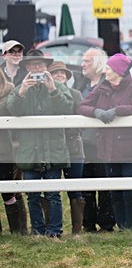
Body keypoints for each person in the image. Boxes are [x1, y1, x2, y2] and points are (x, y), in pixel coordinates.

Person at [78, 53, 132, 230]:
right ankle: (123, 228)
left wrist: (117, 110)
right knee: (115, 192)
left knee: (129, 192)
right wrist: (96, 112)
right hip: (108, 150)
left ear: (119, 71)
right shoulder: (102, 88)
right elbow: (82, 106)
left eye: (108, 68)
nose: (105, 71)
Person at [7, 50, 73, 239]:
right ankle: (37, 231)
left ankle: (54, 232)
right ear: (27, 68)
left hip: (53, 149)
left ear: (46, 67)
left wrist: (52, 90)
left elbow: (68, 108)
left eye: (41, 65)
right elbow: (12, 110)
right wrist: (22, 91)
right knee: (33, 195)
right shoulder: (20, 88)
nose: (37, 68)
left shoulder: (58, 86)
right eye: (33, 65)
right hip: (30, 151)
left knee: (53, 194)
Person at [75, 47, 115, 232]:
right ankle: (88, 223)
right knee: (85, 182)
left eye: (87, 61)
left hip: (103, 141)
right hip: (82, 141)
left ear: (98, 64)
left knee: (105, 181)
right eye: (83, 61)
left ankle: (106, 223)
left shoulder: (109, 84)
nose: (82, 65)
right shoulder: (80, 83)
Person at [49, 61, 86, 235]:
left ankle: (77, 230)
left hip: (73, 147)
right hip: (52, 148)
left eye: (63, 73)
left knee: (75, 188)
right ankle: (53, 228)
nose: (60, 75)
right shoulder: (44, 95)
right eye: (56, 73)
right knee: (52, 189)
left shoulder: (76, 94)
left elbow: (82, 119)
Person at [0, 67, 27, 234]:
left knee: (9, 192)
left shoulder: (8, 90)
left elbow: (5, 109)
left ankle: (18, 230)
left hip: (4, 151)